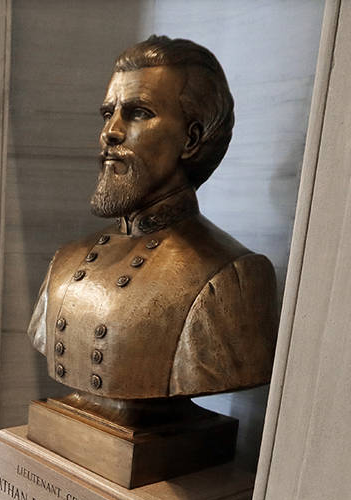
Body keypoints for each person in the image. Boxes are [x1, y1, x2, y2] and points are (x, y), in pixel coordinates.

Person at [27, 35, 278, 407]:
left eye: (138, 113)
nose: (109, 132)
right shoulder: (66, 262)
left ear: (191, 139)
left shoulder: (229, 277)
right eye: (108, 113)